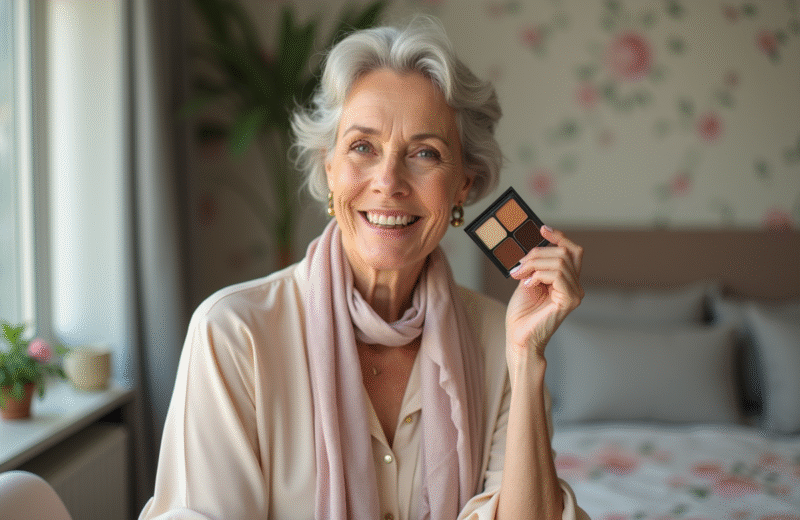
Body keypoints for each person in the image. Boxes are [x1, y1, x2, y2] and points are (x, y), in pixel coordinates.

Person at [140, 15, 587, 520]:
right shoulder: (233, 333)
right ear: (329, 167)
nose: (389, 181)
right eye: (362, 147)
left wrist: (526, 358)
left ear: (464, 184)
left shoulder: (499, 341)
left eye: (425, 152)